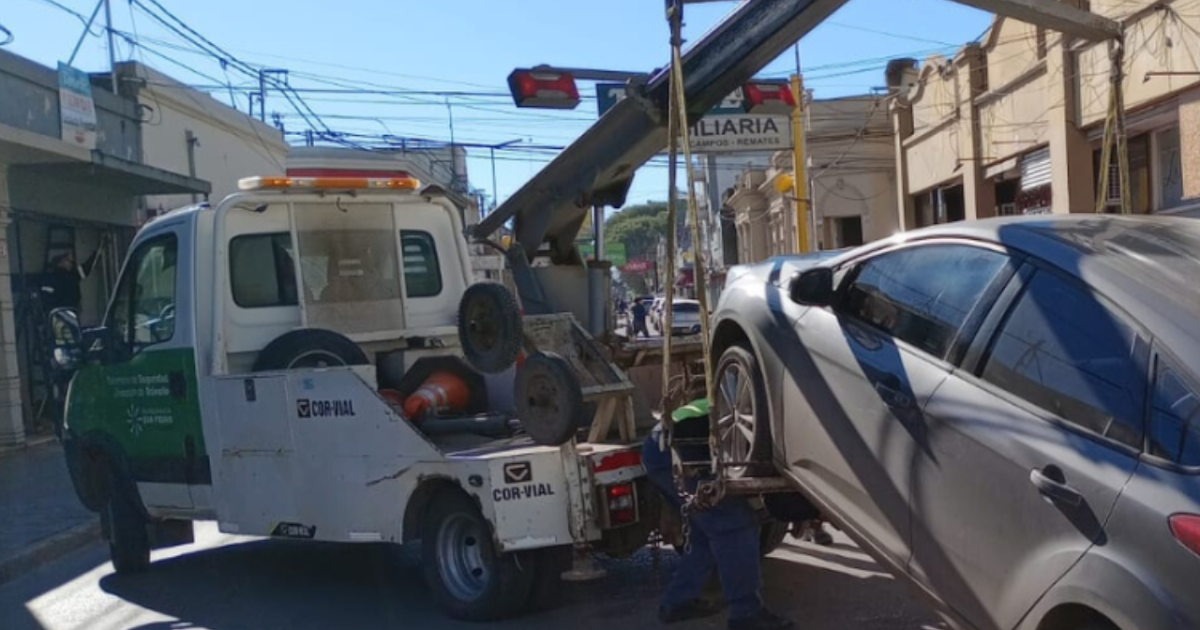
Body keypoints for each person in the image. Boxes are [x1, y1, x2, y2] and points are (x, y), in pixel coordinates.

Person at [642, 400, 794, 630]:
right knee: (736, 525)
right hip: (680, 449)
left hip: (662, 447)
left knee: (704, 533)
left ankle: (677, 602)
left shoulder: (756, 396)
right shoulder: (770, 407)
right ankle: (746, 614)